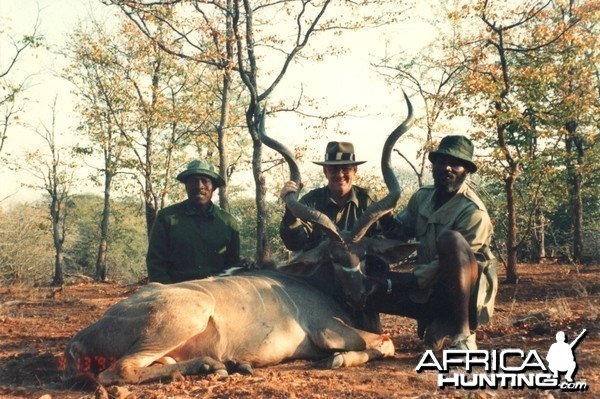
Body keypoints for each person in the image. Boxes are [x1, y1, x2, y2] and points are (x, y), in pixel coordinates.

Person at [370, 135, 498, 350]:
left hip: (463, 296)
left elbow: (453, 266)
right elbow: (401, 233)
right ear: (434, 165)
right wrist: (386, 219)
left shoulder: (473, 211)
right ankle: (435, 322)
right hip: (429, 288)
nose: (446, 167)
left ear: (466, 170)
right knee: (366, 281)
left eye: (455, 163)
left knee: (451, 241)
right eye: (441, 161)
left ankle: (463, 335)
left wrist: (409, 281)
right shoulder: (423, 197)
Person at [146, 159, 240, 284]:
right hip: (175, 291)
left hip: (217, 294)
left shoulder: (228, 222)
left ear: (214, 187)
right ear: (186, 186)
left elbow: (233, 266)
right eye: (193, 181)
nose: (199, 186)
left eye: (205, 181)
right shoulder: (167, 217)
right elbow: (155, 263)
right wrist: (168, 291)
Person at [279, 141, 382, 252]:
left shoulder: (367, 200)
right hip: (321, 266)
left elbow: (382, 240)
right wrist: (290, 208)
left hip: (359, 266)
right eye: (333, 169)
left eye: (346, 168)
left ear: (354, 170)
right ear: (325, 171)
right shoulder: (311, 201)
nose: (340, 174)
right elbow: (295, 244)